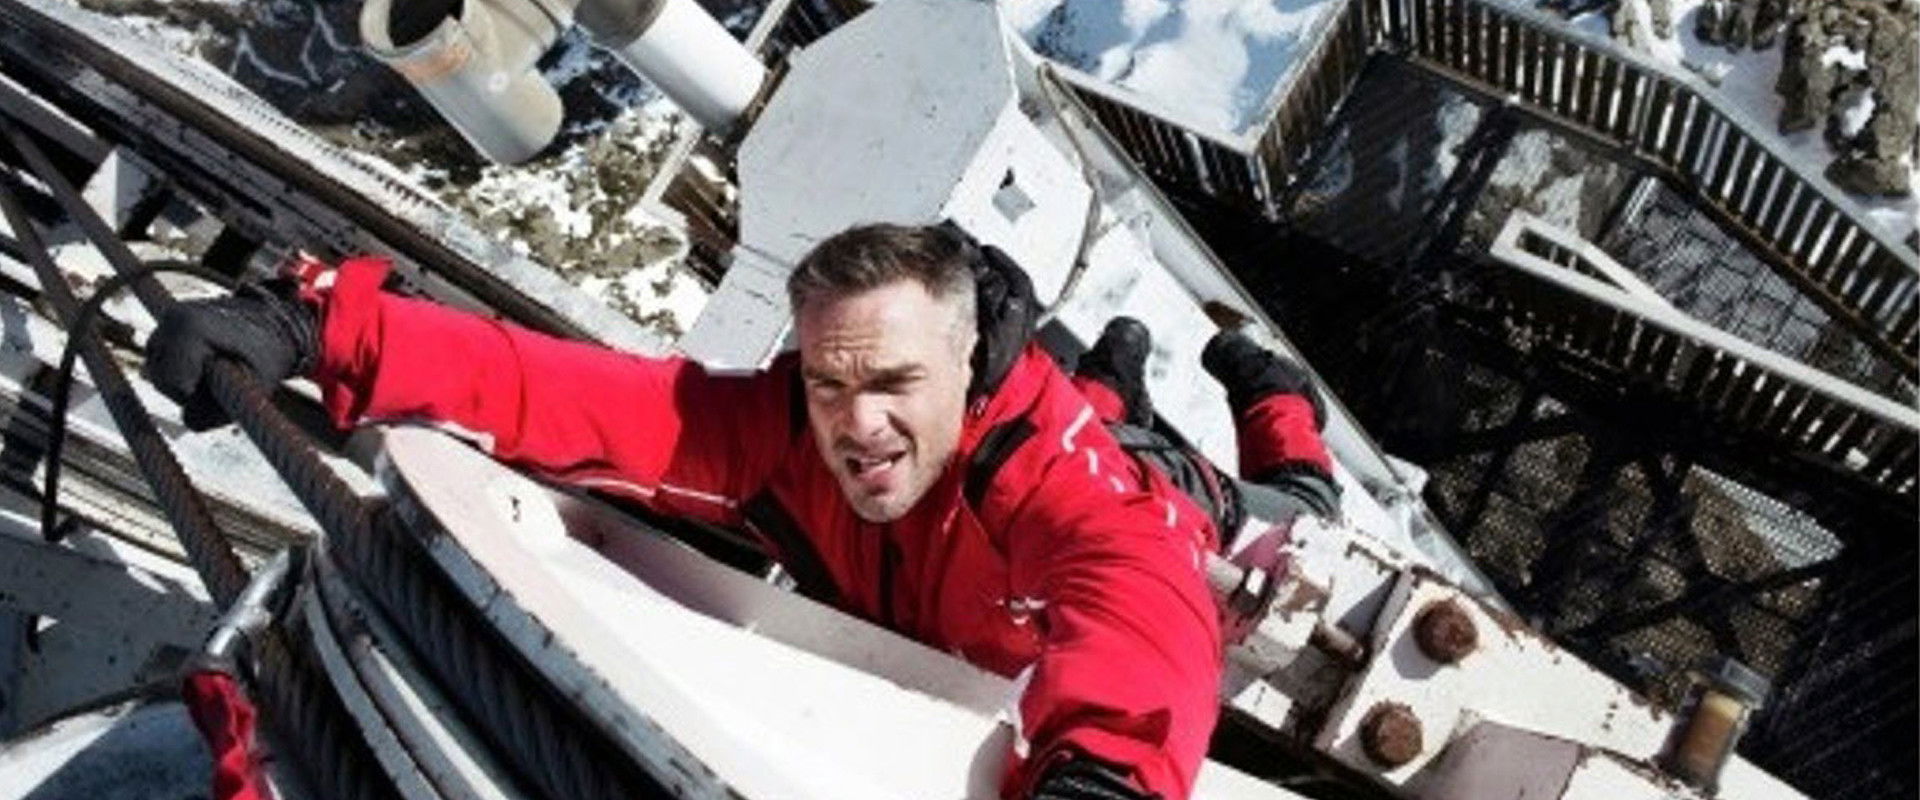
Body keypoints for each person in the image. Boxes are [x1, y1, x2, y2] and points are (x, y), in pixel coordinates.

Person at [147, 223, 1335, 800]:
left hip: (1173, 504)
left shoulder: (1067, 492)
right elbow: (591, 398)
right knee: (1102, 392)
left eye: (895, 383)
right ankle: (1114, 373)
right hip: (952, 602)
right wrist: (318, 328)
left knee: (1288, 497)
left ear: (965, 366)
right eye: (830, 382)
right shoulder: (796, 433)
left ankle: (1260, 386)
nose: (859, 424)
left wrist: (1102, 782)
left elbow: (1144, 612)